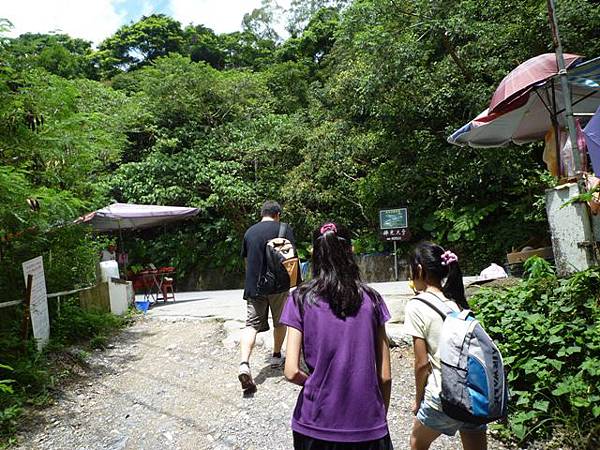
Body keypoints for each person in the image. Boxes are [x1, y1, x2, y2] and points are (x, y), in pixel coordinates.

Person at [280, 222, 393, 450]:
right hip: (367, 426)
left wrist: (318, 383)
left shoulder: (300, 299)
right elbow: (385, 376)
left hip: (314, 424)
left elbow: (291, 371)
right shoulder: (372, 299)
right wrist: (379, 414)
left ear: (314, 254)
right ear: (351, 251)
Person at [403, 242, 487, 450]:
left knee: (417, 442)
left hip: (444, 395)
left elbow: (422, 364)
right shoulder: (456, 302)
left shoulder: (417, 305)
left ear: (419, 269)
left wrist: (418, 400)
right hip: (473, 393)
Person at [238, 200, 296, 393]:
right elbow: (290, 258)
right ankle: (276, 356)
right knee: (280, 322)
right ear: (277, 214)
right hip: (279, 286)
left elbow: (247, 262)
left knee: (251, 325)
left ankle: (244, 363)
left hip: (254, 287)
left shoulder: (249, 232)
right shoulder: (284, 229)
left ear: (261, 214)